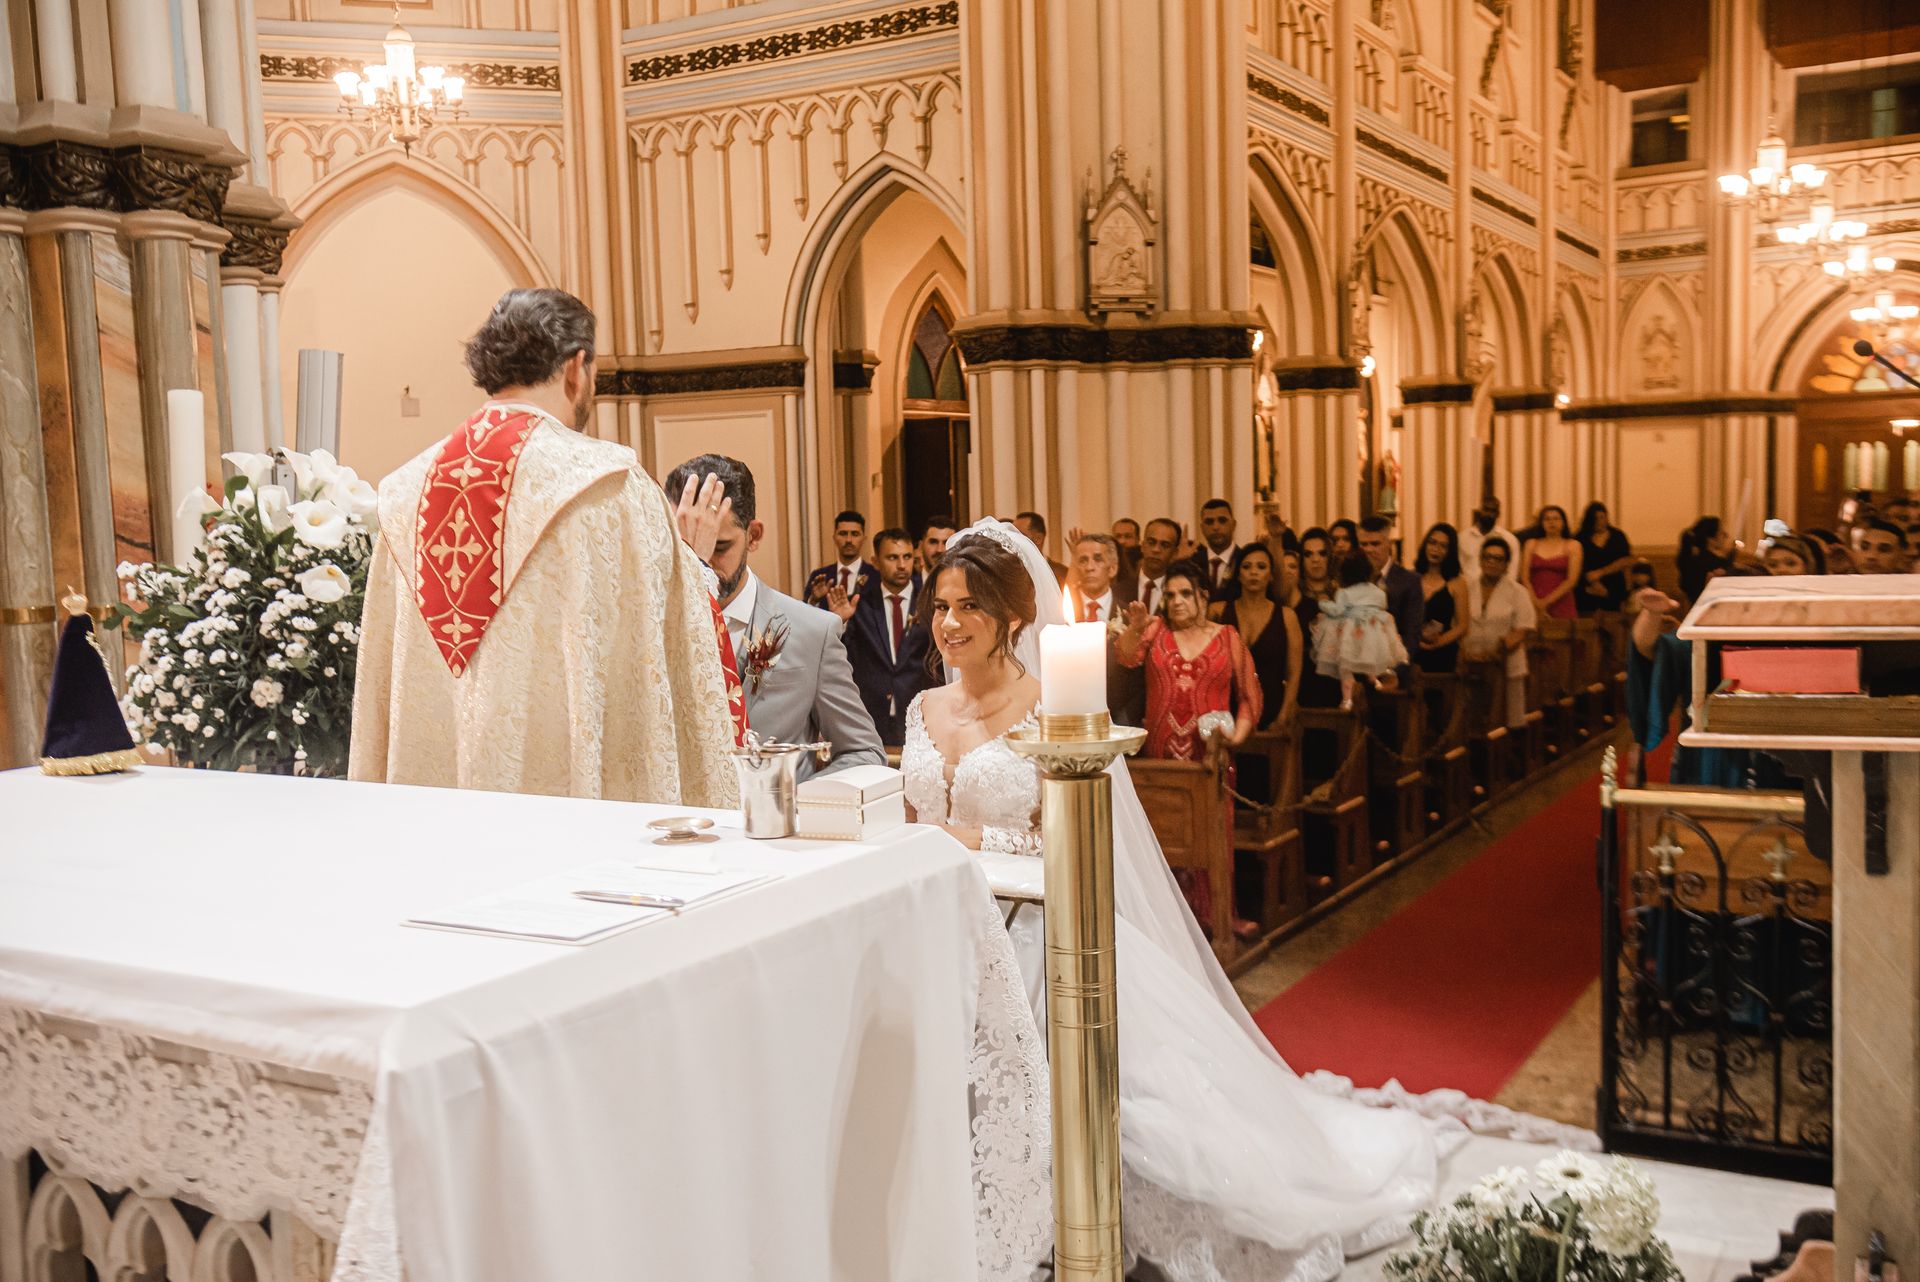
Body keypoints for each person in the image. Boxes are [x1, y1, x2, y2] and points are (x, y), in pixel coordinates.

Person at [899, 521, 1438, 1278]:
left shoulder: (1051, 708)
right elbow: (909, 820)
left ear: (1014, 620)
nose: (948, 624)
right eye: (940, 606)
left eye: (968, 608)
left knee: (1126, 1112)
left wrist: (967, 846)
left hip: (1033, 937)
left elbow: (1075, 845)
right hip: (934, 935)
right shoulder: (923, 707)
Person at [350, 287, 739, 803]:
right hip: (569, 827)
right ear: (576, 367)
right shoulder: (609, 485)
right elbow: (670, 642)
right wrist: (691, 560)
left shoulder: (403, 492)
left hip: (434, 818)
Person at [666, 454, 885, 780]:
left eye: (720, 546)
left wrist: (790, 803)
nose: (703, 564)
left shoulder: (813, 631)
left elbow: (863, 753)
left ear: (753, 536)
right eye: (685, 549)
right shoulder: (652, 632)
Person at [839, 526, 939, 746]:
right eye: (892, 558)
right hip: (871, 715)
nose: (902, 565)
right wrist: (840, 622)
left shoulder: (932, 601)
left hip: (921, 714)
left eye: (907, 557)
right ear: (875, 562)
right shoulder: (860, 603)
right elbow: (844, 657)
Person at [1210, 542, 1302, 732]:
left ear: (1271, 576)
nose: (1253, 572)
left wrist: (1284, 714)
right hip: (1224, 708)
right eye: (1247, 566)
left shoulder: (1287, 616)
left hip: (1272, 706)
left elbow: (1293, 674)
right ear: (1238, 574)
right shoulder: (1217, 611)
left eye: (1261, 567)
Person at [1310, 553, 1409, 711]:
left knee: (1346, 666)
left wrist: (1323, 604)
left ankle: (1347, 700)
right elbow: (1382, 604)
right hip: (1373, 630)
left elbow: (1338, 610)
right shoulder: (1377, 591)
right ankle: (1375, 679)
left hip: (1351, 631)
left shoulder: (1344, 593)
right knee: (1369, 656)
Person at [1068, 531, 1144, 725]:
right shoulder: (1062, 616)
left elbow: (1139, 680)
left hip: (1119, 718)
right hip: (1071, 715)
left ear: (1112, 569)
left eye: (1097, 559)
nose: (1090, 567)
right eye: (1083, 561)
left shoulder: (1130, 616)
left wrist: (1127, 720)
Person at [1461, 538, 1534, 730]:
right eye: (1487, 557)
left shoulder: (1518, 592)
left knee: (1507, 722)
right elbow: (1458, 622)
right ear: (1480, 560)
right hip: (1470, 664)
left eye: (1498, 558)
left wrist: (1498, 650)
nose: (1491, 562)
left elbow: (1522, 629)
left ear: (1506, 564)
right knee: (1471, 721)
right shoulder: (1466, 588)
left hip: (1505, 663)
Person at [1357, 514, 1424, 669]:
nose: (1368, 550)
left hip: (1394, 669)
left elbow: (1412, 635)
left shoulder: (1409, 581)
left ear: (1388, 543)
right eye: (1363, 544)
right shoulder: (1353, 579)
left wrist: (1393, 671)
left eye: (1375, 544)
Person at [1411, 522, 1469, 677]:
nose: (1436, 549)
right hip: (1412, 648)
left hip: (1443, 650)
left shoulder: (1457, 583)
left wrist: (1437, 643)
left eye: (1443, 546)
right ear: (1425, 545)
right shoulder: (1412, 578)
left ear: (1450, 552)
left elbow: (1463, 625)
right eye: (1432, 543)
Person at [1520, 504, 1583, 621]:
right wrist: (1535, 603)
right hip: (1532, 600)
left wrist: (1545, 603)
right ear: (1541, 523)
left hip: (1561, 601)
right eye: (1547, 519)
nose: (1551, 522)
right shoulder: (1531, 544)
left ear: (1563, 522)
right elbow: (1524, 577)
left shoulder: (1573, 545)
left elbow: (1572, 580)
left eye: (1556, 519)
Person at [1573, 501, 1633, 614]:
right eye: (1595, 518)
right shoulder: (1580, 538)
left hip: (1614, 586)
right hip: (1586, 587)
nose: (1600, 522)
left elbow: (1626, 560)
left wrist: (1601, 572)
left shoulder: (1617, 536)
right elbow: (1577, 564)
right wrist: (1593, 583)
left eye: (1602, 517)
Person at [806, 510, 875, 608]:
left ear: (864, 538)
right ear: (834, 537)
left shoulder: (876, 576)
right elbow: (804, 616)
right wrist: (814, 601)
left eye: (855, 534)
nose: (848, 540)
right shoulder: (819, 577)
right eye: (843, 533)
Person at [1186, 497, 1243, 598]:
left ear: (1233, 525)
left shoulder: (1244, 560)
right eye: (1209, 522)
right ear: (1202, 528)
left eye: (1222, 520)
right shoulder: (1192, 562)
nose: (1216, 527)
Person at [1459, 495, 1522, 582]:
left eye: (1493, 511)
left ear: (1498, 514)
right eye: (1486, 509)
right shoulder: (1462, 538)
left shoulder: (1509, 540)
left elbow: (1512, 572)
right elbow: (1459, 569)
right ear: (1480, 511)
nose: (1488, 514)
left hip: (1501, 592)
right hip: (1468, 590)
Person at [1676, 515, 1736, 603]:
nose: (1726, 535)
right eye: (1721, 532)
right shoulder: (1712, 563)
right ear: (1710, 539)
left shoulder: (1696, 558)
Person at [1132, 516, 1180, 615]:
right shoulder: (1118, 590)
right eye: (1151, 542)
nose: (1156, 550)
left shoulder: (1180, 593)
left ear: (1175, 553)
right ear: (1142, 546)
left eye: (1165, 545)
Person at [1013, 510, 1069, 585]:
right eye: (1012, 535)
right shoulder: (1009, 570)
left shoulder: (1062, 573)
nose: (1013, 540)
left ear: (1038, 538)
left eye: (1019, 535)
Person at [916, 514, 956, 582]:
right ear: (921, 546)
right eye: (933, 542)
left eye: (946, 543)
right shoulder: (907, 588)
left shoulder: (966, 587)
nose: (939, 550)